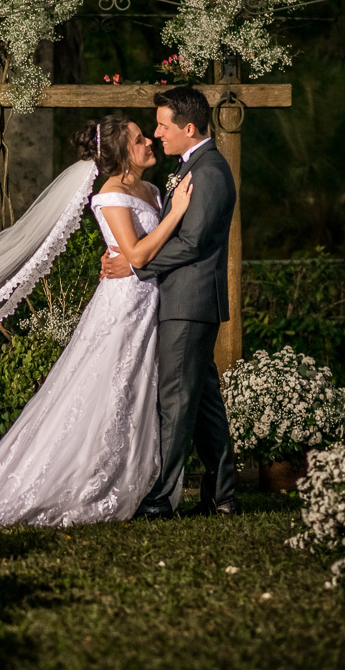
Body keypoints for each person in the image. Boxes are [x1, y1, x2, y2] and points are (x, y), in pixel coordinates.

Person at [0, 114, 193, 528]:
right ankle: (86, 479)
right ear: (121, 154)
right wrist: (175, 212)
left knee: (139, 389)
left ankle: (140, 476)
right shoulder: (110, 195)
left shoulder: (150, 190)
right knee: (108, 388)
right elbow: (137, 254)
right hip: (123, 307)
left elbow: (143, 253)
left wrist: (134, 253)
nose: (149, 141)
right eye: (138, 139)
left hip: (152, 302)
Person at [101, 86, 241, 519]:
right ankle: (223, 497)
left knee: (176, 401)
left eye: (163, 126)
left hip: (190, 301)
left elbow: (193, 242)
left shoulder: (209, 171)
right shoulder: (189, 167)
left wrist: (136, 266)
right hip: (182, 300)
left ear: (189, 128)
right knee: (203, 403)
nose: (158, 133)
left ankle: (160, 498)